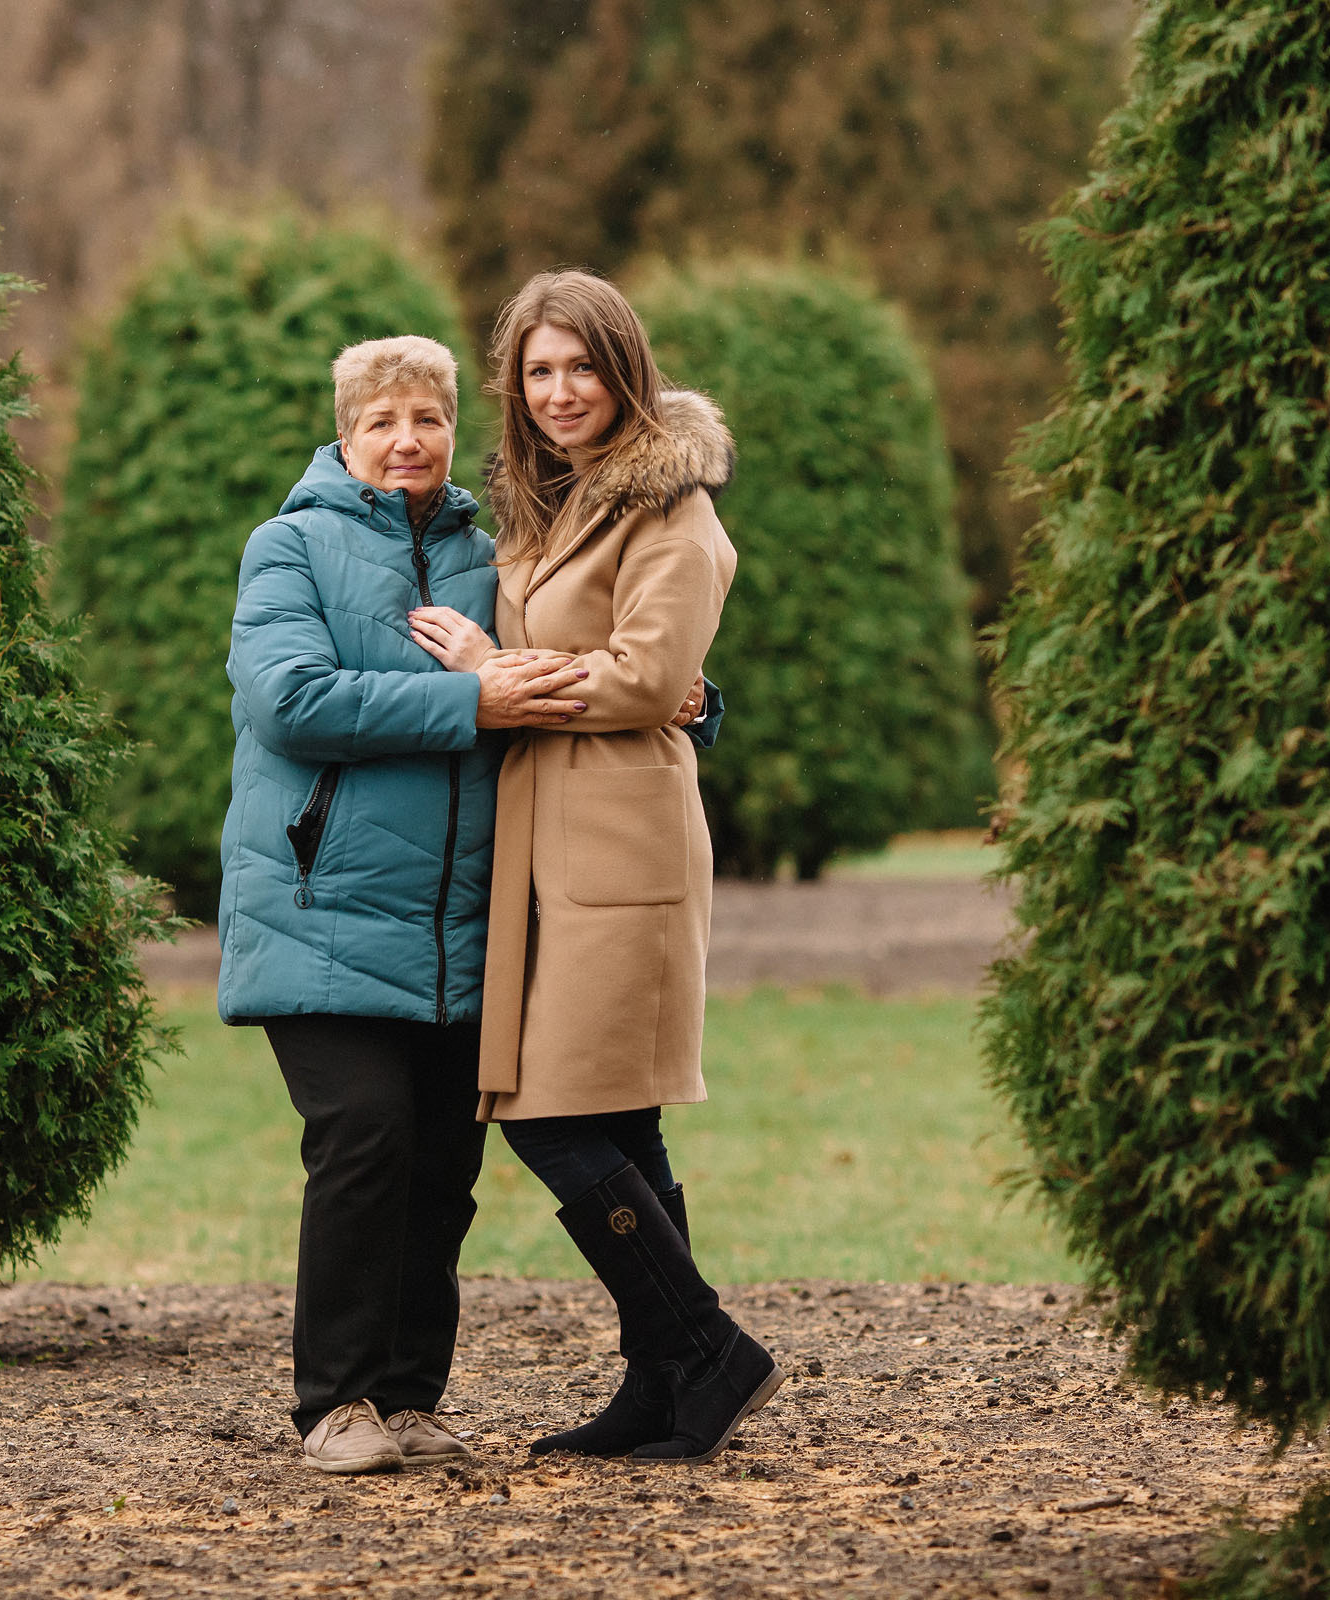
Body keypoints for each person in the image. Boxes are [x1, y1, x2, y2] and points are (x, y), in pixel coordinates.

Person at [217, 335, 718, 1475]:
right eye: (382, 420)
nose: (407, 441)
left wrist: (688, 695)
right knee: (366, 1139)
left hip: (467, 923)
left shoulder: (497, 553)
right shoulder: (287, 547)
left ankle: (409, 1396)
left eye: (428, 420)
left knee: (443, 1160)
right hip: (321, 902)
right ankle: (334, 1404)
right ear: (344, 432)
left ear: (455, 429)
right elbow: (292, 702)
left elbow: (581, 664)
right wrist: (473, 699)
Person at [409, 270, 781, 1465]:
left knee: (550, 1113)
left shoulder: (673, 511)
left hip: (619, 843)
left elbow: (641, 675)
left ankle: (709, 1343)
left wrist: (493, 668)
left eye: (582, 366)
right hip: (546, 842)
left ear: (628, 371)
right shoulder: (550, 506)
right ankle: (665, 1380)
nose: (560, 391)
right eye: (538, 371)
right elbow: (633, 672)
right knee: (622, 1118)